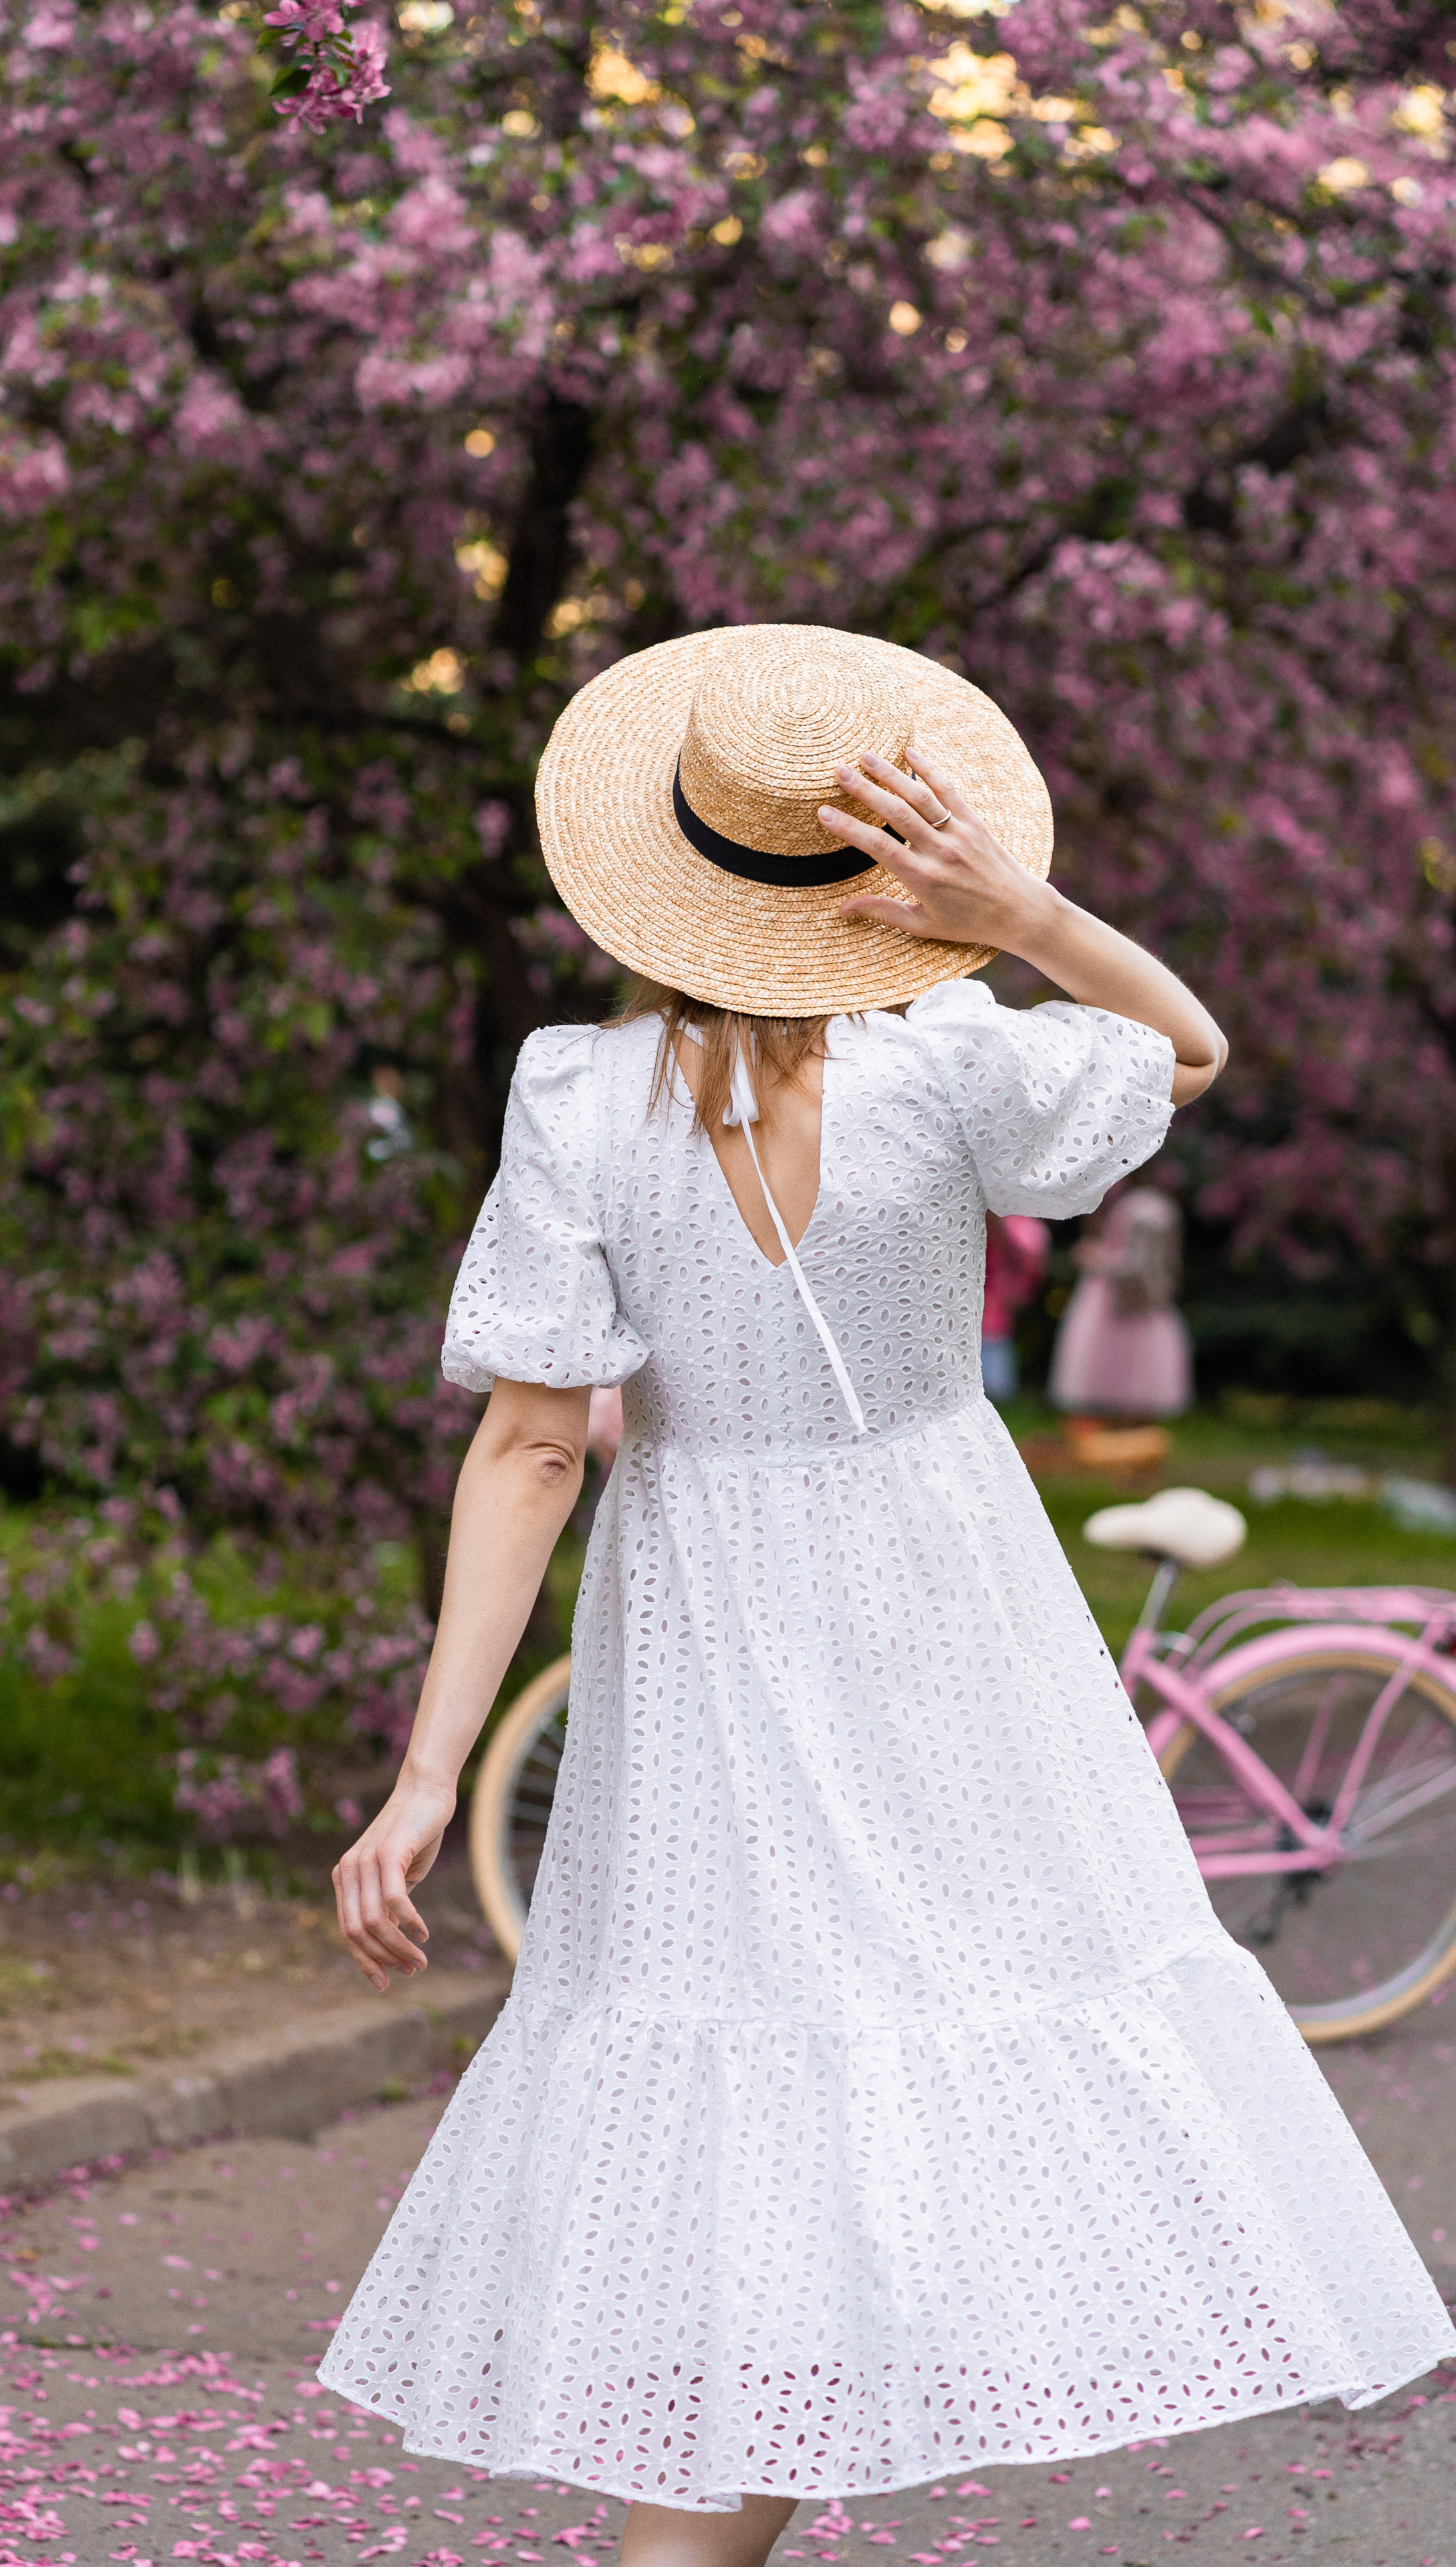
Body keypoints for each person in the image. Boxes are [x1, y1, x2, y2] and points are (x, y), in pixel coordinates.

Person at [320, 627, 1453, 2558]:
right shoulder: (950, 1063)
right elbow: (1187, 1047)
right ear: (864, 888)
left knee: (750, 2076)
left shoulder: (577, 1098)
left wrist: (430, 1773)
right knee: (899, 2046)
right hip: (948, 1616)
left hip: (709, 1622)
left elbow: (529, 1447)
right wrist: (1028, 911)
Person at [1049, 1181, 1192, 1420]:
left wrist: (1096, 1260)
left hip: (1128, 1303)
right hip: (1111, 1300)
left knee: (1131, 1377)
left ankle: (1127, 1435)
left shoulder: (1147, 1209)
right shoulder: (1131, 1204)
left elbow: (1141, 1266)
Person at [980, 1209, 1049, 1401]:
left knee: (997, 1388)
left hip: (994, 1313)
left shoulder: (1025, 1229)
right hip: (983, 1307)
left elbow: (1027, 1269)